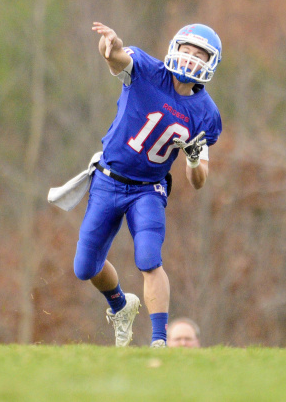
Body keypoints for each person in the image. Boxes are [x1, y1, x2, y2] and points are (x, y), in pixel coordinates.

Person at [73, 22, 223, 347]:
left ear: (210, 63)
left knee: (149, 258)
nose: (191, 58)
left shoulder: (206, 114)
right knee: (85, 267)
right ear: (175, 48)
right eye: (187, 50)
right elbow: (116, 58)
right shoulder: (146, 70)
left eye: (199, 55)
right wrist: (110, 46)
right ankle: (120, 305)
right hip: (109, 179)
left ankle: (159, 340)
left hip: (148, 189)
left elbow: (199, 181)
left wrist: (193, 159)